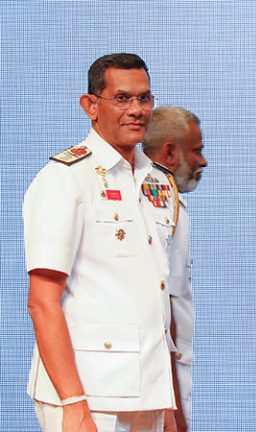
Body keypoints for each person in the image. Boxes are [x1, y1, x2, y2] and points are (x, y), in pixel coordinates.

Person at [24, 53, 182, 432]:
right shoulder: (65, 179)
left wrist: (166, 403)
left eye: (144, 98)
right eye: (122, 98)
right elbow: (42, 301)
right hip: (90, 395)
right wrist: (73, 403)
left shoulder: (158, 182)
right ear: (90, 106)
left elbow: (157, 296)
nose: (136, 109)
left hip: (148, 394)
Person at [143, 106, 207, 431]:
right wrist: (173, 406)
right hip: (155, 383)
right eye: (197, 150)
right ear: (169, 153)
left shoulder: (168, 198)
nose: (203, 161)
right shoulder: (157, 199)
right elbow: (159, 309)